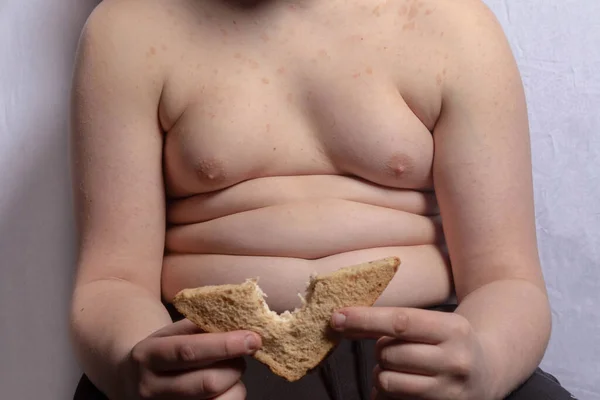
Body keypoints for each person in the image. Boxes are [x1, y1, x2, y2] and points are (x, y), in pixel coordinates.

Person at [69, 0, 575, 399]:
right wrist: (132, 367)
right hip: (207, 362)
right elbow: (111, 280)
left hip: (422, 353)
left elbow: (508, 280)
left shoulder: (453, 26)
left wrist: (482, 365)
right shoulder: (129, 30)